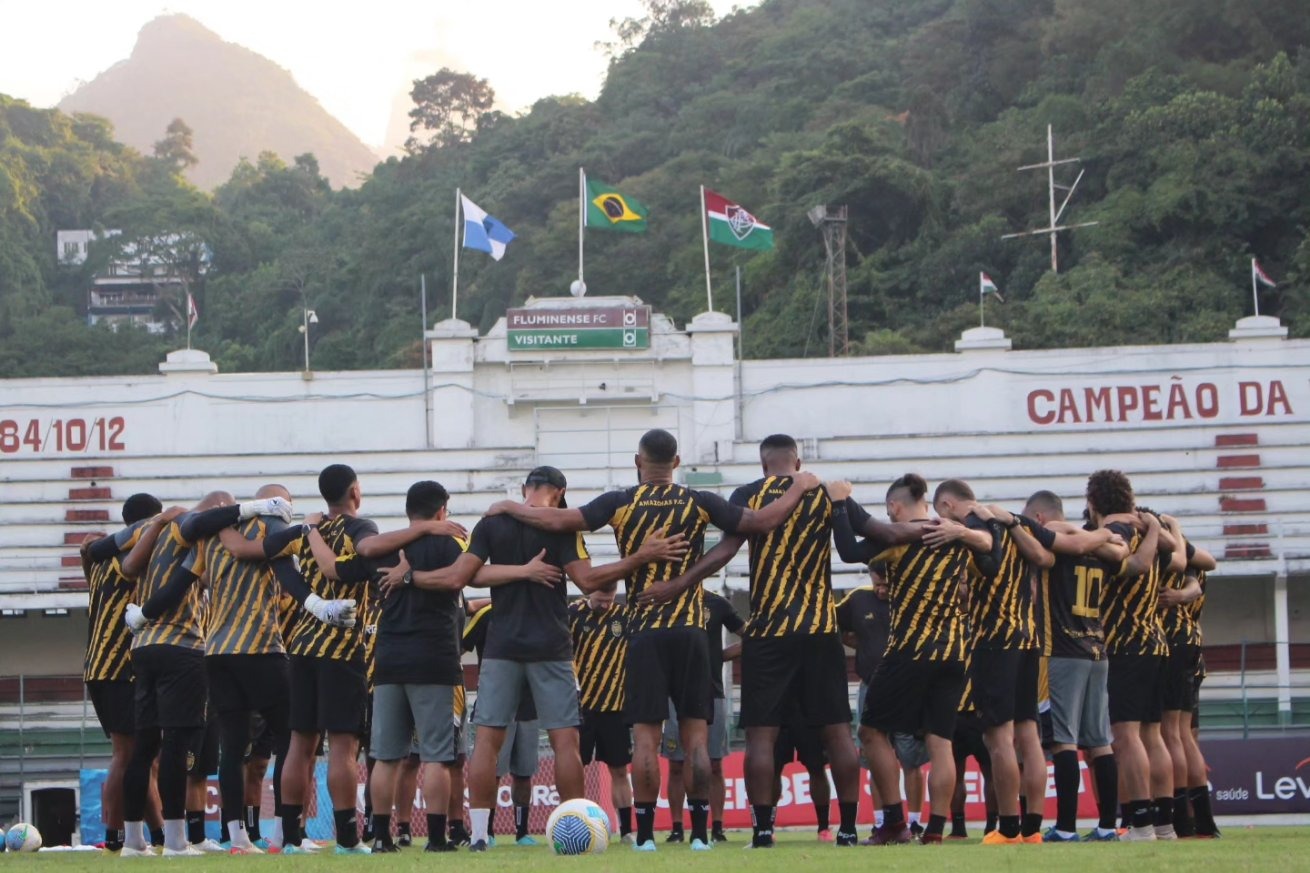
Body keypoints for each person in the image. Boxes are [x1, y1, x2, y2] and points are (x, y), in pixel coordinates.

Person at [487, 429, 818, 852]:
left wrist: (510, 507)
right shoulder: (697, 502)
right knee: (696, 738)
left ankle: (644, 837)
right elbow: (761, 522)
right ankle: (700, 836)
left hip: (644, 630)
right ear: (677, 463)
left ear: (637, 462)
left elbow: (560, 520)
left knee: (646, 739)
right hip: (691, 629)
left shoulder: (621, 502)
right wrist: (801, 486)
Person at [650, 436, 912, 849]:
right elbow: (884, 532)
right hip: (819, 628)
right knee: (837, 732)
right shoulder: (825, 493)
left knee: (761, 737)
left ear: (762, 464)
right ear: (798, 461)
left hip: (768, 632)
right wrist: (936, 529)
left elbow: (724, 551)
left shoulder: (749, 495)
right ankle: (846, 830)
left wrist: (680, 583)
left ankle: (763, 831)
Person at [418, 465, 689, 852]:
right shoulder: (562, 527)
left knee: (487, 743)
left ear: (525, 488)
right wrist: (641, 556)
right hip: (551, 648)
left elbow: (467, 576)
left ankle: (479, 835)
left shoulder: (492, 522)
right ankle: (571, 831)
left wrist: (514, 572)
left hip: (502, 647)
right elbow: (589, 581)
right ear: (560, 493)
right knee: (565, 742)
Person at [272, 464, 451, 855]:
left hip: (300, 646)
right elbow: (369, 553)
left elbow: (271, 554)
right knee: (342, 747)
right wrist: (425, 529)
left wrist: (307, 588)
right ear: (355, 491)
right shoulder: (359, 529)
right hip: (342, 648)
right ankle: (347, 838)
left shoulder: (307, 532)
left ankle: (289, 838)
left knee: (298, 744)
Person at [119, 492, 294, 857]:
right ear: (219, 511)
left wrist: (141, 616)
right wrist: (253, 509)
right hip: (181, 646)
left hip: (144, 646)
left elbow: (131, 568)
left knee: (145, 747)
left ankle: (134, 840)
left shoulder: (160, 529)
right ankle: (176, 840)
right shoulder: (192, 528)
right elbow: (184, 572)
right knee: (178, 744)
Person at [831, 474, 996, 845]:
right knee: (940, 742)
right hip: (955, 652)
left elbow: (849, 550)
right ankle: (936, 829)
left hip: (911, 650)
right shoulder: (954, 535)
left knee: (872, 732)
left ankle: (893, 822)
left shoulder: (899, 538)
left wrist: (840, 504)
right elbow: (990, 560)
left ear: (894, 507)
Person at [1012, 490, 1127, 842]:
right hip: (1096, 648)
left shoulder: (1059, 544)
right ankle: (1109, 825)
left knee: (1063, 741)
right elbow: (1121, 556)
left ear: (1041, 518)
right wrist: (1104, 534)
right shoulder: (1098, 549)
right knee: (1100, 742)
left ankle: (1064, 828)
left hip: (1060, 650)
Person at [196, 484, 301, 853]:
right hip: (259, 647)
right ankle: (286, 834)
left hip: (217, 652)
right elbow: (289, 585)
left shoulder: (212, 537)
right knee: (293, 735)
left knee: (233, 746)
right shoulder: (274, 534)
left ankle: (237, 836)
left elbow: (203, 577)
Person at [1085, 471, 1180, 842]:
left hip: (1124, 643)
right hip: (1156, 640)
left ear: (1094, 502)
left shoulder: (1116, 532)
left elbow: (1129, 563)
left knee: (1126, 737)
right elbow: (1176, 552)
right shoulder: (1147, 528)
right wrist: (1155, 526)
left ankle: (1140, 823)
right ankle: (1165, 824)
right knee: (1153, 736)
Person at [79, 493, 164, 855]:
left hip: (101, 666)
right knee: (127, 754)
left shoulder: (99, 559)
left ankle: (158, 834)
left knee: (139, 754)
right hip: (118, 667)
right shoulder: (122, 557)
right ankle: (115, 837)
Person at [662, 589, 743, 844]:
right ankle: (677, 828)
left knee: (715, 764)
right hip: (675, 694)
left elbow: (751, 634)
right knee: (676, 764)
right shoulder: (667, 599)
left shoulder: (717, 603)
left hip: (712, 691)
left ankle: (717, 827)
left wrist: (720, 656)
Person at [1157, 516, 1217, 838]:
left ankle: (1180, 819)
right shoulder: (1190, 556)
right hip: (1193, 645)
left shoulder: (1168, 555)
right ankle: (1202, 820)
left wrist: (1178, 597)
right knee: (1185, 735)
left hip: (1170, 642)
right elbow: (1208, 564)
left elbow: (1192, 582)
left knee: (1172, 734)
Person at [569, 588, 634, 844]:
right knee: (576, 770)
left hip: (614, 707)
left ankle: (627, 831)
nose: (606, 604)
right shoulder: (573, 614)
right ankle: (577, 826)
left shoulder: (624, 616)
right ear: (589, 591)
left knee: (619, 770)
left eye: (610, 599)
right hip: (580, 708)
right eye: (601, 599)